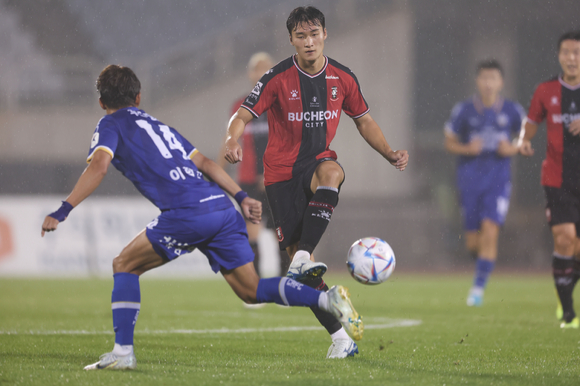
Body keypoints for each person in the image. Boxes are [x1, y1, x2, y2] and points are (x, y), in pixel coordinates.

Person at [40, 64, 363, 370]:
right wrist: (240, 196)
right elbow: (207, 163)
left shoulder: (109, 124)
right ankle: (324, 300)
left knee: (124, 264)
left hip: (187, 213)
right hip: (221, 209)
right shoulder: (160, 126)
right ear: (138, 98)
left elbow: (98, 166)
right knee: (251, 290)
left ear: (101, 102)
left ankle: (123, 353)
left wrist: (63, 208)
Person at [224, 6, 408, 358]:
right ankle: (341, 338)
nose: (308, 42)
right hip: (279, 175)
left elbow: (364, 121)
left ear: (325, 34)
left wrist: (388, 152)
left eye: (314, 34)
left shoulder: (342, 77)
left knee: (333, 173)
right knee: (302, 272)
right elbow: (241, 114)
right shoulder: (277, 77)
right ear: (291, 40)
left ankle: (303, 256)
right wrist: (232, 139)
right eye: (300, 36)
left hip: (316, 161)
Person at [444, 60, 525, 307]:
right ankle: (482, 265)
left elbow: (526, 135)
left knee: (491, 230)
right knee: (473, 242)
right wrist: (467, 148)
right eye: (484, 78)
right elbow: (449, 141)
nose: (489, 83)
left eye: (493, 78)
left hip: (498, 180)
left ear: (501, 82)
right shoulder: (465, 110)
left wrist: (511, 148)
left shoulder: (512, 110)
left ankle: (477, 290)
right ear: (478, 81)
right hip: (469, 180)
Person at [520, 31, 580, 329]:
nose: (572, 58)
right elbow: (531, 122)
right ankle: (568, 311)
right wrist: (524, 141)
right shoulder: (545, 90)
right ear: (559, 55)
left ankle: (565, 290)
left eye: (577, 53)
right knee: (565, 238)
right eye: (567, 52)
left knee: (577, 248)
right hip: (557, 179)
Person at [218, 52, 288, 281]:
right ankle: (256, 285)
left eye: (266, 68)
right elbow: (229, 141)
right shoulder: (240, 106)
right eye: (257, 68)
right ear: (249, 74)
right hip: (248, 178)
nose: (261, 73)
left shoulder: (283, 103)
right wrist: (218, 173)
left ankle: (284, 282)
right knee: (252, 231)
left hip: (278, 178)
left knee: (283, 232)